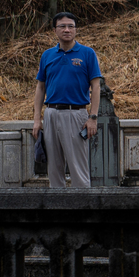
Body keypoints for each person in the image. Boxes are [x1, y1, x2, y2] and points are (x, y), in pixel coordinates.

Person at [32, 12, 102, 188]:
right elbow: (40, 88)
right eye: (62, 26)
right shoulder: (47, 55)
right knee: (54, 168)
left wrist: (92, 117)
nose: (67, 30)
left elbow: (96, 87)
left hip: (76, 113)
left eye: (71, 26)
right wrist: (37, 119)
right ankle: (58, 210)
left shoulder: (87, 53)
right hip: (51, 114)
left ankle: (83, 209)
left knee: (78, 167)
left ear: (76, 30)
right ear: (55, 30)